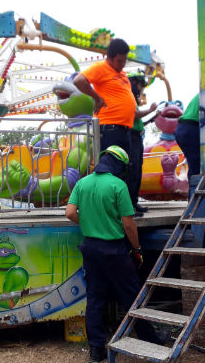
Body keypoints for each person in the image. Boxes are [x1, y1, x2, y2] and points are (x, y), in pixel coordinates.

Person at [65, 145, 162, 363]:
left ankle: (96, 351)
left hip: (90, 248)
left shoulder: (83, 182)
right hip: (114, 250)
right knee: (131, 295)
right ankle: (151, 340)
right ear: (119, 165)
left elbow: (70, 212)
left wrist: (88, 223)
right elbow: (129, 225)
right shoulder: (118, 185)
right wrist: (136, 249)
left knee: (95, 300)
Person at [73, 39, 136, 156]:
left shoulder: (122, 74)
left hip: (125, 130)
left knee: (123, 170)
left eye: (124, 61)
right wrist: (97, 98)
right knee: (108, 168)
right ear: (110, 58)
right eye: (119, 61)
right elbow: (78, 80)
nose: (122, 64)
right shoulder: (100, 67)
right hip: (109, 129)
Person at [127, 72, 157, 216]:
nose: (141, 89)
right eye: (140, 85)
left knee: (138, 171)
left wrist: (153, 117)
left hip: (137, 137)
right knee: (132, 171)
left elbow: (139, 122)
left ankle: (134, 201)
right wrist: (150, 110)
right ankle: (129, 205)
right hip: (131, 137)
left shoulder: (134, 99)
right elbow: (134, 115)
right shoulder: (128, 97)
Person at [174, 93, 200, 198]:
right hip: (191, 127)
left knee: (194, 164)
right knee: (197, 166)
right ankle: (194, 199)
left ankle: (193, 198)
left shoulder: (202, 93)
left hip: (182, 128)